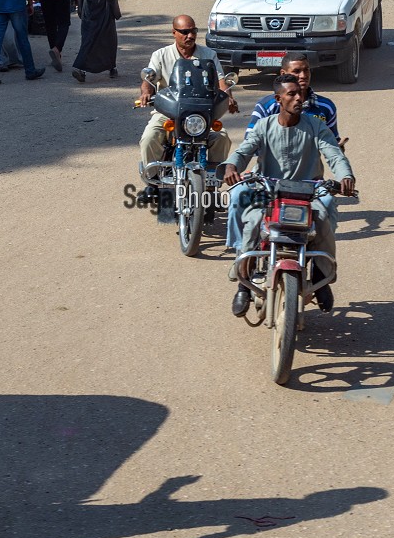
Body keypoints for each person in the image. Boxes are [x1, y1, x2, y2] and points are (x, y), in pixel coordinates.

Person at [221, 74, 355, 315]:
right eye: (291, 94)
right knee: (252, 223)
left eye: (299, 93)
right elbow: (244, 151)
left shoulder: (316, 126)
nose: (298, 98)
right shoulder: (264, 126)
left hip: (307, 193)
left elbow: (334, 154)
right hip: (269, 192)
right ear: (278, 99)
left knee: (324, 217)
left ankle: (321, 275)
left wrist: (346, 176)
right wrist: (232, 166)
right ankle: (244, 283)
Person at [223, 53, 341, 252]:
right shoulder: (266, 108)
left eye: (306, 70)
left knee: (328, 204)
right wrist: (233, 167)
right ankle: (241, 252)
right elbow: (249, 145)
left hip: (307, 182)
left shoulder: (325, 108)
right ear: (283, 76)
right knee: (238, 196)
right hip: (269, 181)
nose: (303, 76)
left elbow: (333, 148)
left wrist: (342, 169)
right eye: (296, 72)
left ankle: (322, 255)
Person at [138, 16, 238, 184]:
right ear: (174, 33)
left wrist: (228, 97)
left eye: (193, 31)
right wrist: (146, 93)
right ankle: (153, 179)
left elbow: (221, 81)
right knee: (149, 137)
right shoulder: (161, 55)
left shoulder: (208, 54)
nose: (190, 36)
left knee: (221, 137)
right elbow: (149, 79)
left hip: (202, 112)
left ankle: (212, 177)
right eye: (184, 32)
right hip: (169, 111)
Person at [72, 0, 121, 82]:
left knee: (109, 41)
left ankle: (112, 66)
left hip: (105, 14)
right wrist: (81, 12)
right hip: (89, 15)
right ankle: (80, 69)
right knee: (87, 42)